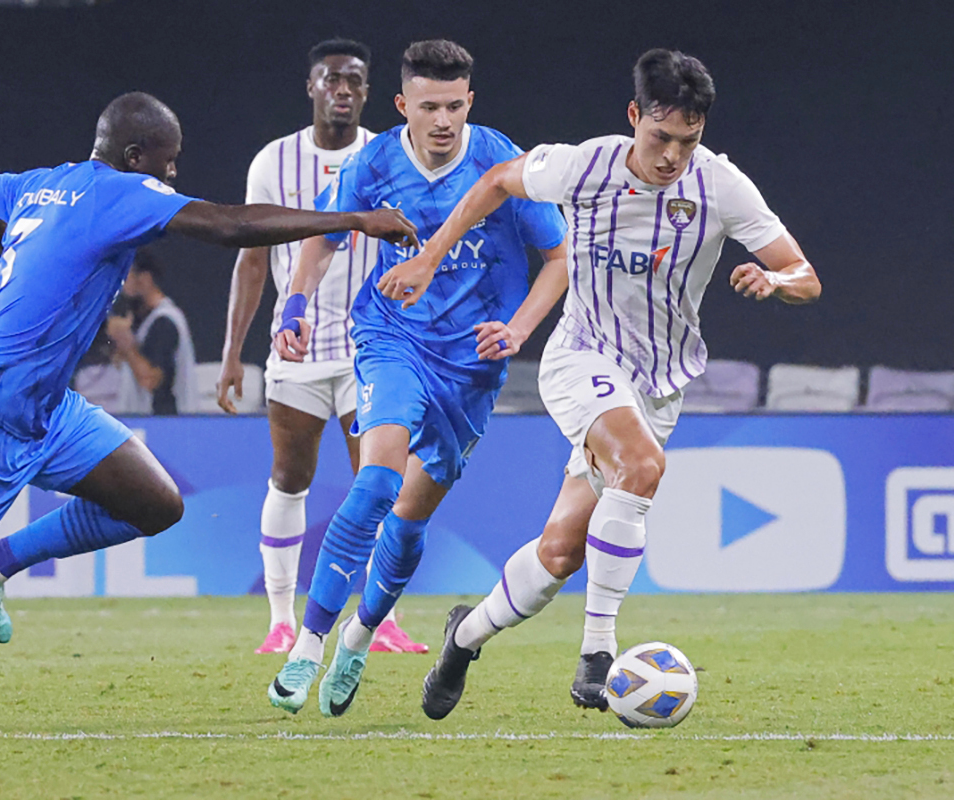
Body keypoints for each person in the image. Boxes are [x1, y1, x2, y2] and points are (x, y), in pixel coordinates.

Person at [0, 91, 418, 734]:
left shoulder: (43, 185)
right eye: (167, 162)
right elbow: (225, 225)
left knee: (154, 503)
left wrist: (31, 253)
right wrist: (352, 220)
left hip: (44, 407)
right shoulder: (121, 193)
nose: (172, 175)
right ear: (134, 156)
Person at [393, 49, 822, 720]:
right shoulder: (583, 165)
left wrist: (774, 280)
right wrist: (430, 255)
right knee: (643, 466)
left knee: (561, 552)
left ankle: (464, 637)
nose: (672, 156)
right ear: (633, 116)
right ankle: (598, 654)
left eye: (688, 141)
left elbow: (805, 276)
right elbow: (498, 180)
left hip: (659, 384)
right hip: (582, 356)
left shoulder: (721, 186)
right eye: (661, 137)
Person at [266, 40, 569, 717]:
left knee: (408, 519)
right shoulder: (374, 163)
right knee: (376, 481)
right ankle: (307, 646)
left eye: (454, 106)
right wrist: (295, 305)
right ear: (403, 104)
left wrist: (519, 329)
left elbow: (559, 258)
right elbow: (323, 235)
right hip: (392, 338)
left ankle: (358, 637)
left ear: (470, 102)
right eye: (429, 107)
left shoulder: (501, 161)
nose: (443, 121)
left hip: (472, 367)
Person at [217, 37, 426, 655]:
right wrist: (232, 352)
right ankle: (281, 619)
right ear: (311, 86)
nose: (342, 89)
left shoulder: (390, 155)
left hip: (373, 346)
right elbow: (252, 260)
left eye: (354, 80)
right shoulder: (273, 161)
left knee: (380, 482)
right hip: (298, 348)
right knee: (289, 478)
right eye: (332, 78)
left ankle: (381, 620)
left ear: (368, 92)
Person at [111, 249, 196, 415]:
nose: (122, 287)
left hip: (167, 421)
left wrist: (126, 344)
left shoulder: (165, 322)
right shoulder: (143, 322)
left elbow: (150, 380)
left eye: (126, 277)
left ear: (144, 279)